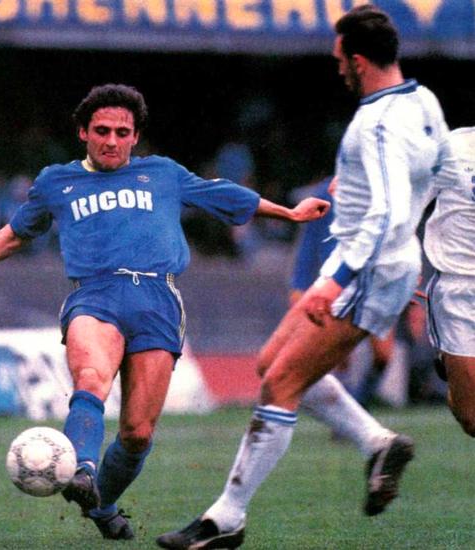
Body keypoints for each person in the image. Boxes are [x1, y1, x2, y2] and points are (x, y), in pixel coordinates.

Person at [0, 84, 330, 542]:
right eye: (102, 131)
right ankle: (82, 468)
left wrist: (289, 214)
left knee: (137, 434)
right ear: (83, 133)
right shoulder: (57, 182)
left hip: (158, 300)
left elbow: (225, 196)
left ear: (135, 136)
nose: (111, 140)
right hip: (95, 294)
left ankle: (101, 504)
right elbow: (19, 230)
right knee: (91, 377)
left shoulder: (163, 173)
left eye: (122, 132)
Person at [157, 6, 450, 548]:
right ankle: (377, 443)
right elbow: (435, 171)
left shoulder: (374, 124)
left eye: (339, 59)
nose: (337, 67)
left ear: (358, 61)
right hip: (383, 262)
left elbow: (384, 214)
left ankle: (226, 518)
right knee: (271, 363)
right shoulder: (422, 100)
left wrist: (337, 279)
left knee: (281, 383)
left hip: (365, 268)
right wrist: (387, 219)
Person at [290, 176, 396, 409]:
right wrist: (299, 284)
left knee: (383, 354)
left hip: (376, 281)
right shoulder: (325, 193)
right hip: (338, 280)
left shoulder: (385, 187)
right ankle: (347, 408)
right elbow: (310, 241)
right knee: (339, 355)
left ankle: (359, 400)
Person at [423, 126, 475, 435]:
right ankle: (455, 376)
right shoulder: (454, 148)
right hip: (460, 287)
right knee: (471, 418)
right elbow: (408, 200)